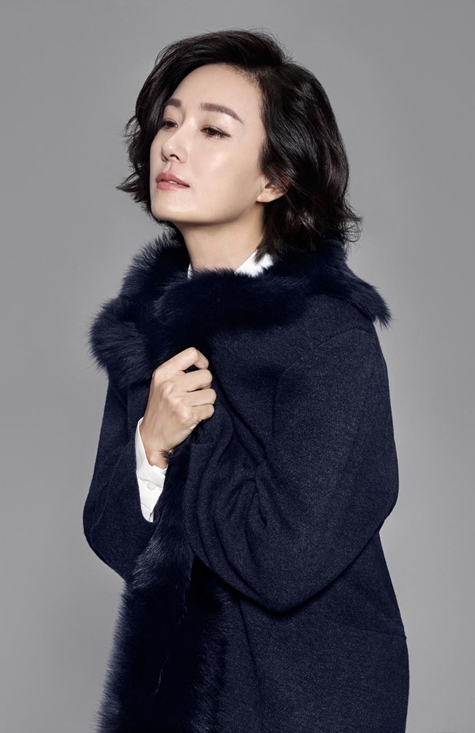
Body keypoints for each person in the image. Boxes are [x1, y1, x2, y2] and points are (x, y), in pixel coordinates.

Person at [83, 28, 409, 733]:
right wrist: (150, 447)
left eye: (212, 130)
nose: (172, 146)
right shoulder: (149, 329)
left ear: (274, 178)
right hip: (176, 701)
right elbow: (112, 534)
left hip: (310, 703)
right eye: (169, 123)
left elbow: (280, 562)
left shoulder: (329, 337)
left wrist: (188, 441)